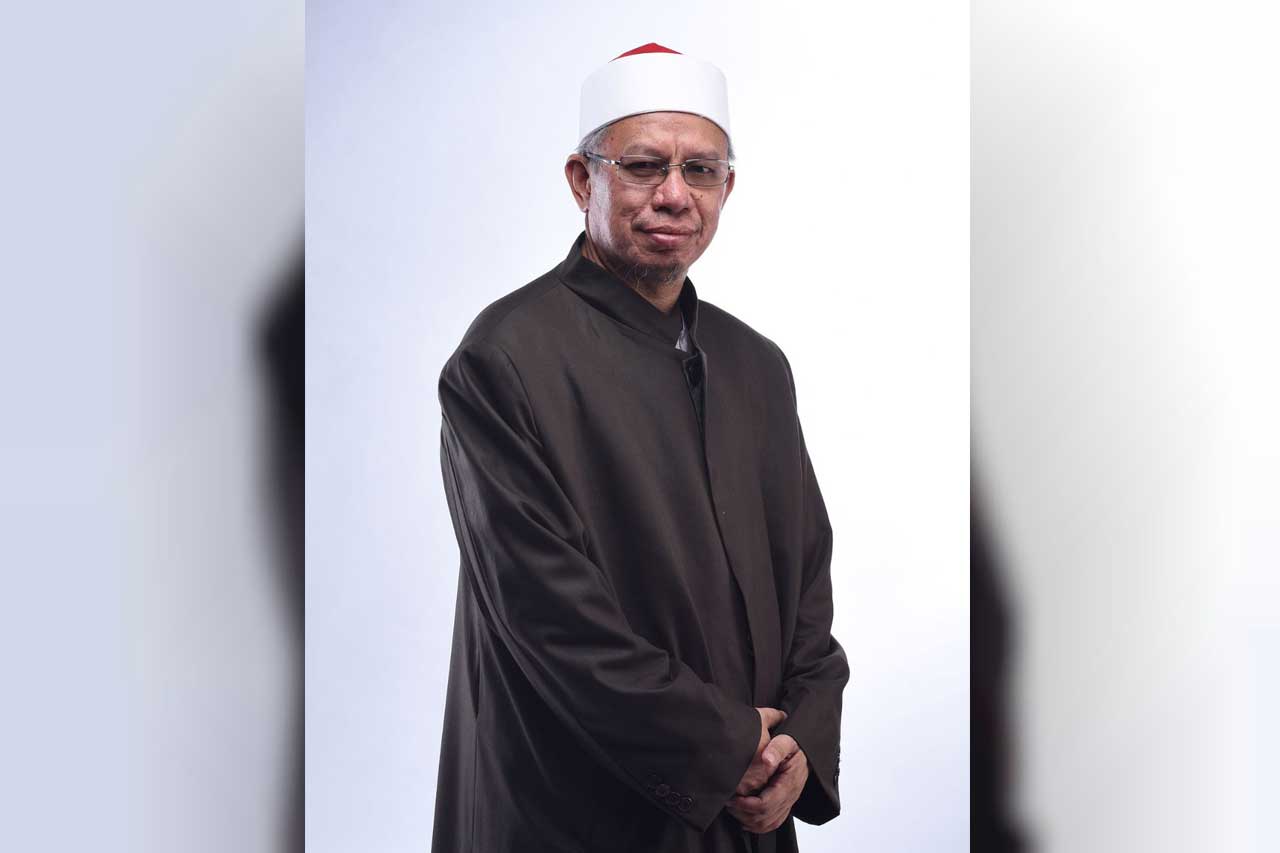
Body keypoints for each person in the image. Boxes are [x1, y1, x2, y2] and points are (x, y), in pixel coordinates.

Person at [432, 43, 848, 853]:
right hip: (574, 807)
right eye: (644, 166)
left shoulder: (756, 364)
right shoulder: (504, 358)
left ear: (727, 187)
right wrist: (728, 746)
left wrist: (798, 740)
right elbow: (550, 618)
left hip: (746, 803)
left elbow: (807, 584)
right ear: (582, 180)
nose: (674, 195)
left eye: (701, 170)